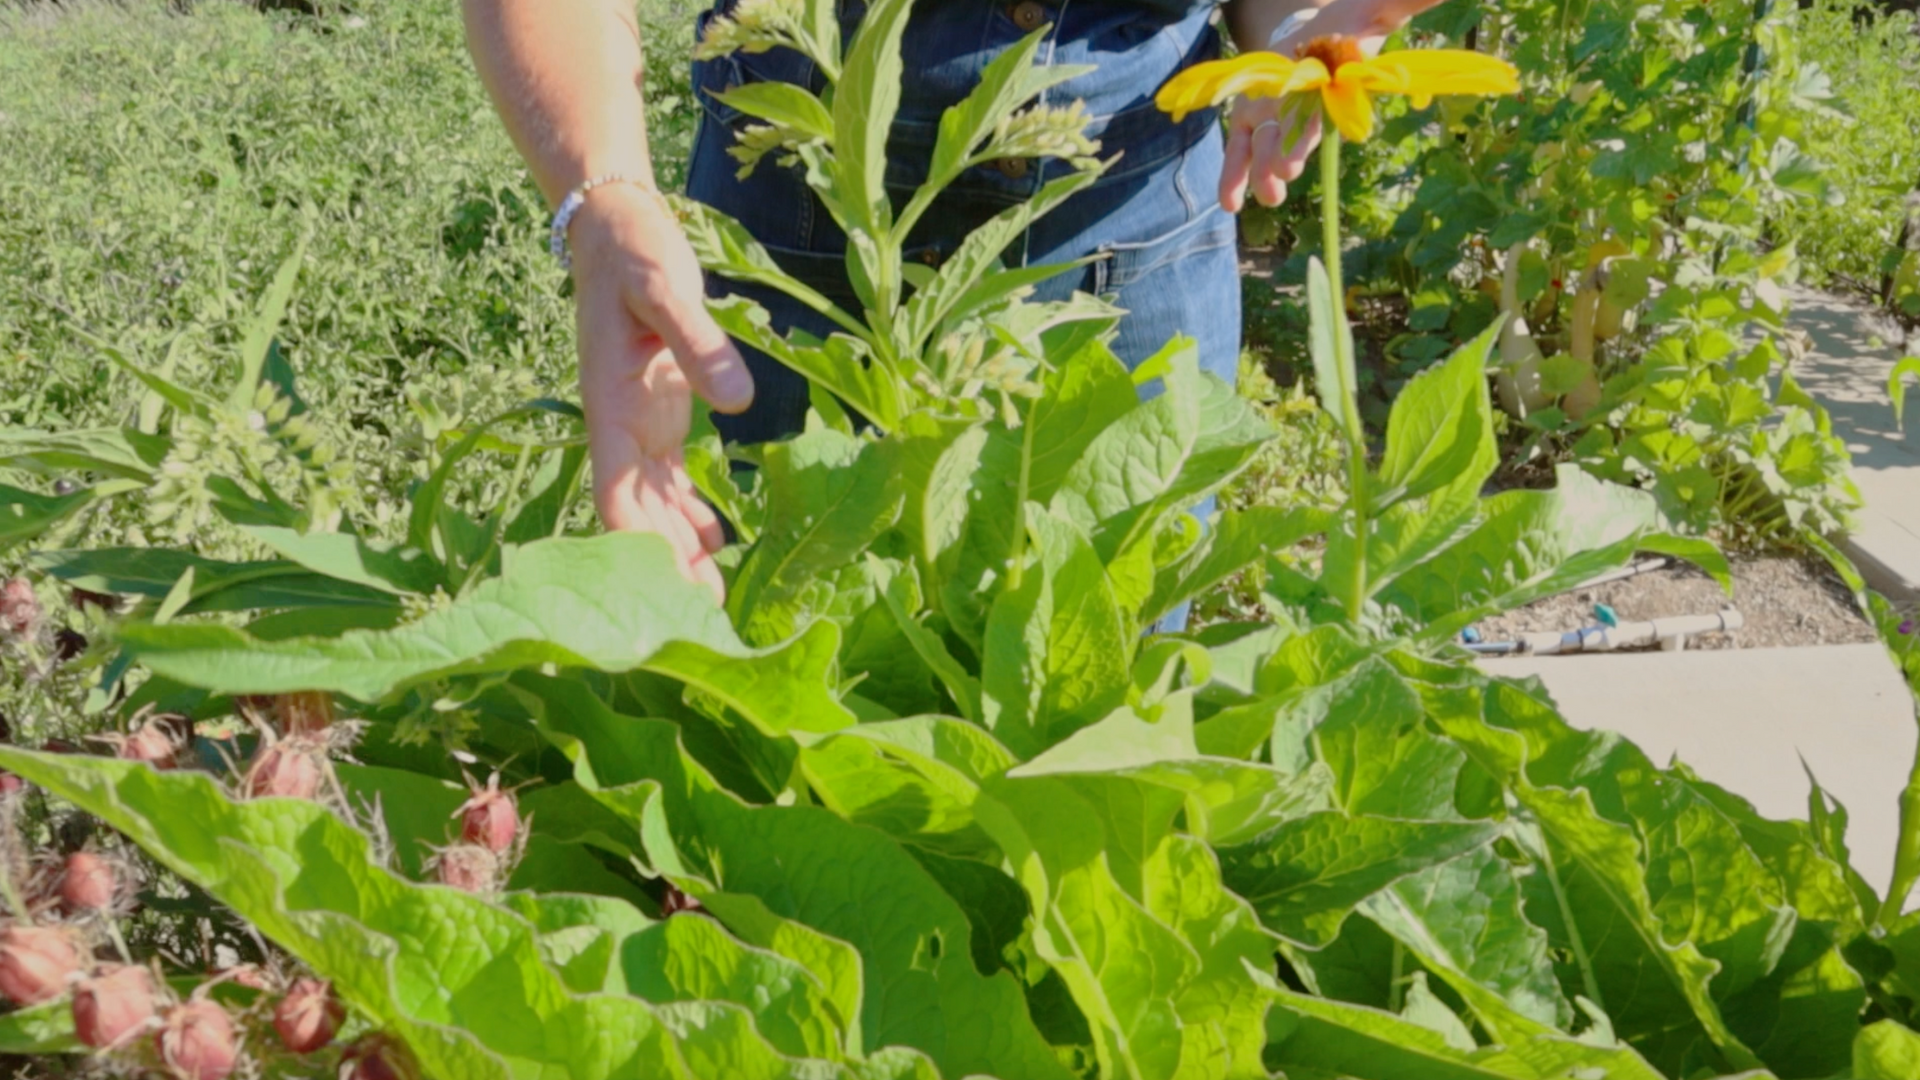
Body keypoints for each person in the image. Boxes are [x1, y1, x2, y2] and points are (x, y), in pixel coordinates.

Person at [463, 0, 1442, 618]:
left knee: (1098, 686)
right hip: (799, 228)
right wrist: (601, 198)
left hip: (1132, 222)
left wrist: (1294, 36)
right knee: (763, 682)